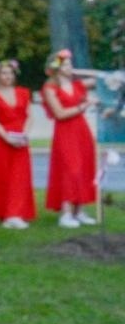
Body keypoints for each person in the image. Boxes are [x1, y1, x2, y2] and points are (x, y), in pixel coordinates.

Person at [42, 49, 100, 227]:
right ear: (57, 68)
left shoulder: (77, 85)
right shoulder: (50, 88)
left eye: (70, 64)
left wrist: (78, 71)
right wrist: (83, 106)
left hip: (81, 130)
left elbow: (98, 78)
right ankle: (65, 213)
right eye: (66, 64)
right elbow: (59, 114)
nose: (70, 67)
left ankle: (80, 210)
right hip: (65, 131)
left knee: (84, 168)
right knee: (70, 170)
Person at [0, 60, 36, 228]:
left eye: (10, 73)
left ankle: (17, 212)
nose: (7, 76)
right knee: (3, 176)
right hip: (2, 140)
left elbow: (29, 115)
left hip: (21, 138)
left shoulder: (23, 93)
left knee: (20, 176)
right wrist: (7, 138)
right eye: (4, 73)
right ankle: (6, 213)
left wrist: (24, 134)